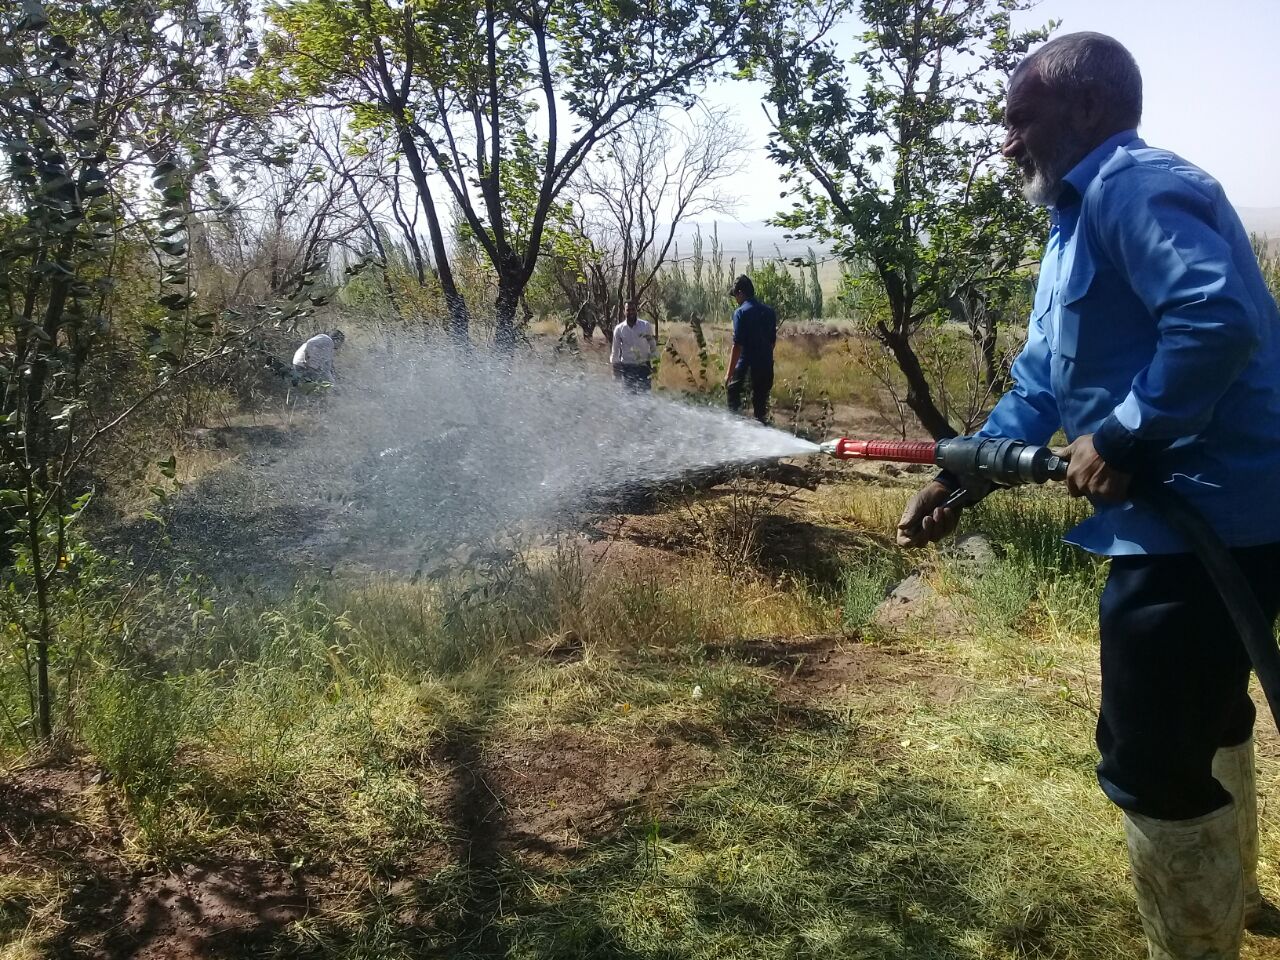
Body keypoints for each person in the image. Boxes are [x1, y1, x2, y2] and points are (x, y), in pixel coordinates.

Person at [897, 33, 1280, 958]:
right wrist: (965, 476)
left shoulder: (1133, 187)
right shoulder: (1073, 223)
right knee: (1214, 713)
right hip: (1198, 522)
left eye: (1018, 121)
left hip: (1204, 523)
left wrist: (1123, 434)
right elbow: (1039, 379)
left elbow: (1214, 319)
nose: (1005, 143)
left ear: (1088, 111)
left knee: (1150, 759)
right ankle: (1239, 903)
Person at [724, 275, 776, 423]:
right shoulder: (769, 312)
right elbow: (772, 343)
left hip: (747, 366)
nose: (736, 299)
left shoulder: (740, 313)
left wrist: (729, 374)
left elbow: (737, 346)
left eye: (735, 295)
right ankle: (761, 435)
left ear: (740, 293)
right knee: (760, 408)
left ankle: (735, 429)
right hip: (766, 366)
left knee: (733, 395)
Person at [609, 300, 657, 393]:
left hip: (644, 367)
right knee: (628, 397)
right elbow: (615, 351)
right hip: (627, 368)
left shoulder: (645, 326)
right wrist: (615, 368)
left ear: (636, 310)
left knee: (645, 396)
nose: (631, 312)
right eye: (628, 310)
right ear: (624, 311)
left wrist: (655, 364)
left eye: (633, 309)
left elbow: (653, 346)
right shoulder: (619, 329)